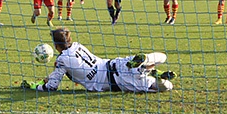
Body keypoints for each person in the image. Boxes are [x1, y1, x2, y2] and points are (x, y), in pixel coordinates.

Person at [21, 27, 175, 93]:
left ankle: (151, 73)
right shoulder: (77, 45)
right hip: (116, 63)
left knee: (167, 86)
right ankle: (148, 65)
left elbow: (52, 87)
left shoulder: (62, 61)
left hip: (114, 81)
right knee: (163, 56)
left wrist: (36, 87)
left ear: (55, 46)